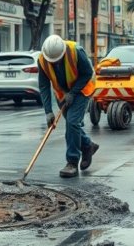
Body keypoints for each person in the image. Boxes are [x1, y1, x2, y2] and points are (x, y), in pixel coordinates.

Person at [37, 34, 99, 178]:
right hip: (63, 93)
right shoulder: (42, 60)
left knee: (72, 122)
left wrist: (73, 93)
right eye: (52, 61)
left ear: (63, 52)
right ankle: (88, 145)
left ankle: (72, 162)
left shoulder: (76, 51)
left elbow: (88, 73)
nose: (55, 63)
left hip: (83, 89)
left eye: (57, 60)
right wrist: (48, 112)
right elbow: (44, 85)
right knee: (73, 126)